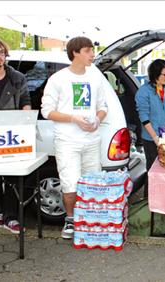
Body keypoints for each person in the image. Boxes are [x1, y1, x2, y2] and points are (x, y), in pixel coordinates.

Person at [41, 36, 109, 239]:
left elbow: (103, 107)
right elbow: (47, 111)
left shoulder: (96, 77)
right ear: (75, 53)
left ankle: (90, 219)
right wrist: (73, 118)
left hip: (91, 140)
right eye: (88, 51)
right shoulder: (58, 79)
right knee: (70, 184)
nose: (92, 55)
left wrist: (97, 120)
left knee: (93, 183)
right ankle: (70, 220)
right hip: (67, 141)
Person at [0, 38, 31, 234]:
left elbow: (25, 100)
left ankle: (11, 217)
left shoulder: (17, 77)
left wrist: (27, 118)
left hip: (13, 133)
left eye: (1, 52)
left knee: (12, 175)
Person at [135, 59, 165, 172]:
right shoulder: (144, 91)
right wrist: (155, 137)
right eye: (164, 74)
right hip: (150, 137)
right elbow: (143, 116)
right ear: (155, 74)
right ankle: (149, 190)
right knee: (153, 170)